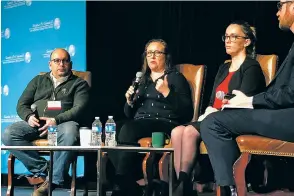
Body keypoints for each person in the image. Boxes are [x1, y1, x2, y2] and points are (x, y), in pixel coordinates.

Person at [200, 1, 294, 196]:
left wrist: (250, 101)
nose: (277, 12)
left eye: (280, 5)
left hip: (289, 117)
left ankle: (230, 190)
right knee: (212, 120)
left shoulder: (251, 66)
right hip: (283, 113)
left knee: (213, 123)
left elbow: (291, 94)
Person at [171, 21, 266, 196]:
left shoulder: (251, 67)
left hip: (233, 119)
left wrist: (213, 113)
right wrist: (207, 111)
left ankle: (183, 187)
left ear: (247, 41)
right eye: (226, 37)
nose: (228, 41)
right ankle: (183, 183)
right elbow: (213, 99)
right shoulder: (223, 67)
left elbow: (242, 100)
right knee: (177, 131)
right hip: (212, 117)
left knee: (190, 132)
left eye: (233, 37)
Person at [1, 48, 90, 196]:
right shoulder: (38, 80)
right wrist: (29, 117)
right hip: (38, 124)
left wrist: (56, 120)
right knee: (9, 134)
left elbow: (79, 108)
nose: (61, 64)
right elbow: (21, 104)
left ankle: (51, 182)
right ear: (50, 64)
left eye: (65, 61)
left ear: (70, 64)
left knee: (70, 131)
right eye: (57, 61)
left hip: (63, 124)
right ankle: (47, 169)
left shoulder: (79, 84)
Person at [111, 39, 193, 196]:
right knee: (114, 128)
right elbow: (128, 114)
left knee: (128, 128)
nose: (152, 56)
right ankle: (127, 182)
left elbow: (186, 112)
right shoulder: (142, 80)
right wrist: (129, 102)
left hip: (165, 122)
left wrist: (167, 92)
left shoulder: (175, 78)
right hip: (141, 122)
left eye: (157, 52)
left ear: (166, 57)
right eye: (149, 53)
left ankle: (121, 184)